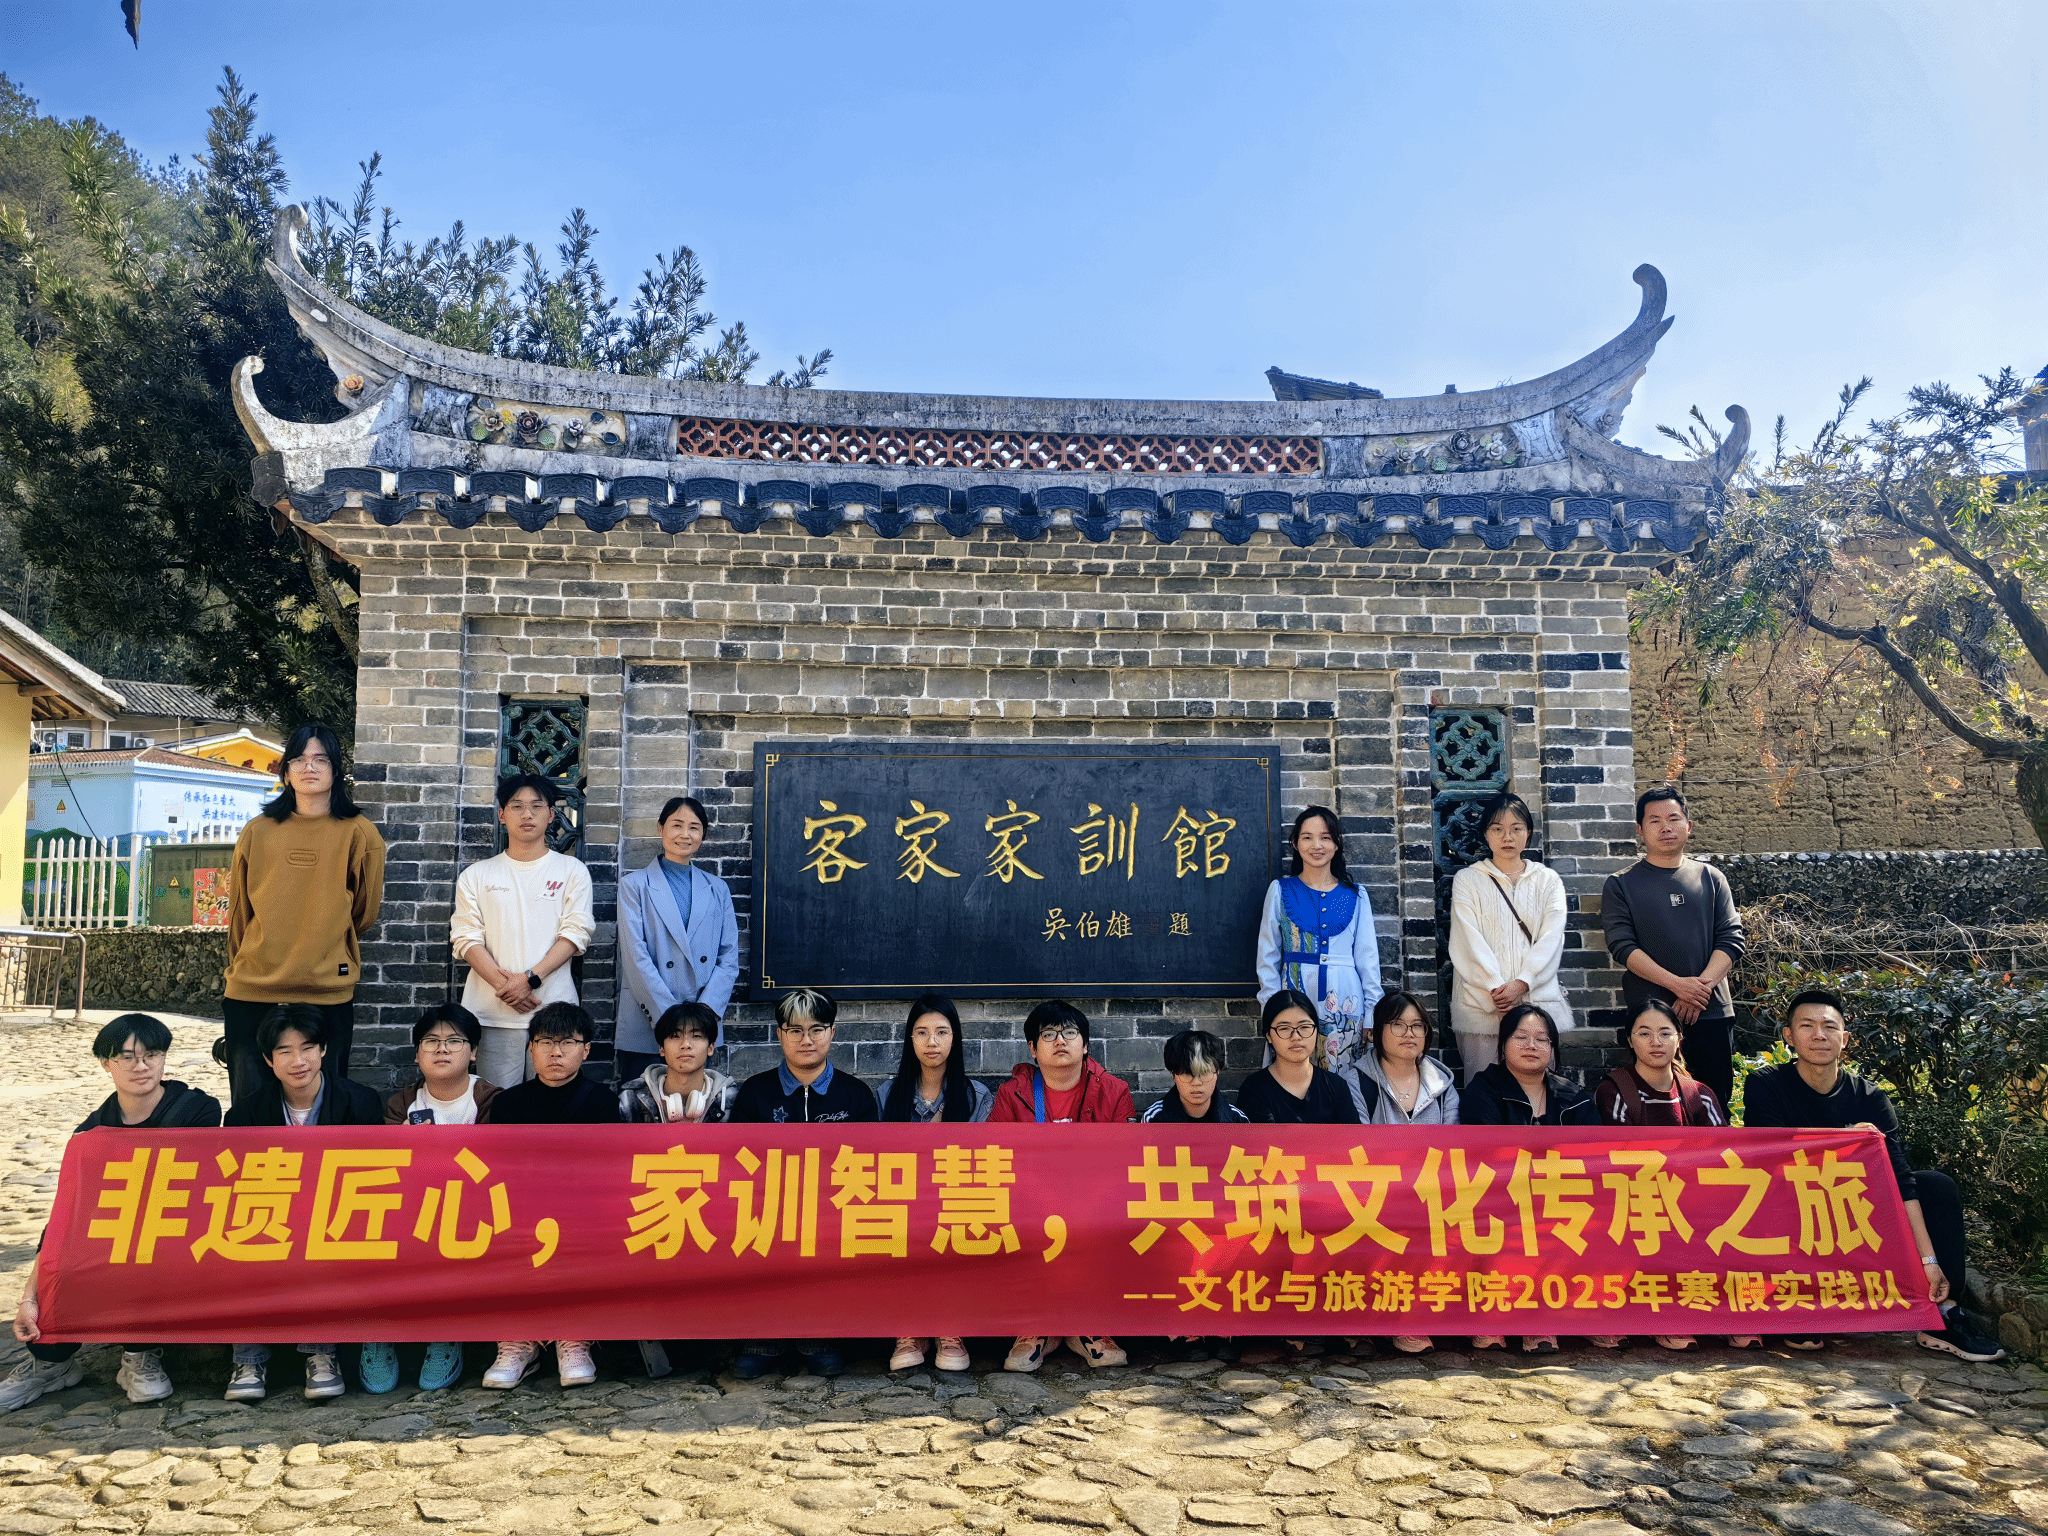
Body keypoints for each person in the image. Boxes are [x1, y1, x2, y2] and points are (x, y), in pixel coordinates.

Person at [1742, 989, 2004, 1362]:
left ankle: (1944, 1315)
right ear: (1789, 1036)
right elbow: (1772, 1156)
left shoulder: (1870, 1097)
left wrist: (1930, 1262)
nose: (1819, 1035)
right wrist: (1847, 1139)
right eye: (1807, 1026)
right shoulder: (1765, 1084)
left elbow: (1901, 1179)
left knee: (1935, 1186)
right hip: (1793, 1205)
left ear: (1845, 1039)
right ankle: (1799, 1302)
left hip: (1855, 1206)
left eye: (1829, 1027)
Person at [3, 1015, 221, 1413]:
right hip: (114, 1229)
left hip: (178, 1228)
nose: (142, 1066)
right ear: (106, 1063)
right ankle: (50, 1362)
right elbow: (68, 1213)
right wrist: (30, 1296)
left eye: (152, 1055)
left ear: (163, 1059)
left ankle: (141, 1352)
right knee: (64, 1253)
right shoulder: (90, 1134)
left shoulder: (196, 1109)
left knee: (141, 1248)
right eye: (127, 1057)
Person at [222, 1004, 385, 1402]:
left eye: (308, 1048)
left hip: (336, 1216)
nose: (298, 1061)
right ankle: (249, 1359)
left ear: (324, 1050)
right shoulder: (244, 1114)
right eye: (285, 1051)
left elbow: (374, 1178)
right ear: (268, 1059)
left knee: (326, 1243)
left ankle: (321, 1353)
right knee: (240, 1242)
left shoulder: (361, 1103)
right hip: (272, 1217)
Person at [222, 722, 385, 1103]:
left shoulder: (360, 832)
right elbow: (240, 912)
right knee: (251, 1107)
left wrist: (326, 938)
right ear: (286, 771)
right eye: (298, 759)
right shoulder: (258, 831)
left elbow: (364, 912)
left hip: (327, 991)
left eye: (320, 760)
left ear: (336, 770)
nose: (309, 767)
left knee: (323, 1108)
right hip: (254, 987)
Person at [730, 989, 877, 1380]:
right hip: (770, 1208)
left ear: (832, 1033)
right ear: (780, 1035)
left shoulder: (856, 1095)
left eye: (816, 1029)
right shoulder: (755, 1093)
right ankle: (765, 1335)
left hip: (833, 1210)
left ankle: (820, 1334)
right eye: (794, 1030)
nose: (806, 1039)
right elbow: (741, 1163)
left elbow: (868, 1165)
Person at [360, 1004, 503, 1395]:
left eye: (454, 1041)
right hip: (411, 1209)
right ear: (417, 1054)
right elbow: (390, 1171)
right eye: (431, 1042)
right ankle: (378, 1336)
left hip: (472, 1210)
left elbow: (492, 1168)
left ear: (473, 1052)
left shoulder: (491, 1100)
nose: (442, 1049)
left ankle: (445, 1336)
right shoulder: (402, 1104)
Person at [479, 1002, 619, 1391]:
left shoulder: (602, 1102)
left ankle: (573, 1336)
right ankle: (519, 1340)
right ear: (531, 1048)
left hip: (584, 1212)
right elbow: (500, 1172)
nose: (555, 1052)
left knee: (585, 1240)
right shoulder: (508, 1103)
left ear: (585, 1050)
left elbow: (608, 1172)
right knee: (504, 1240)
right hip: (521, 1211)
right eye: (545, 1042)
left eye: (567, 1043)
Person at [990, 1000, 1135, 1373]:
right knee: (1014, 1224)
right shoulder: (1013, 1094)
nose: (1060, 1041)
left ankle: (1087, 1325)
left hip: (1095, 1200)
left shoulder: (1115, 1091)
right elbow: (996, 1157)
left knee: (1105, 1223)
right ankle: (1037, 1326)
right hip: (1030, 1199)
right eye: (1049, 1034)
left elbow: (1125, 1162)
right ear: (1032, 1048)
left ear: (1085, 1045)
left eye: (1070, 1033)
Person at [1593, 999, 1738, 1352]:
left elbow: (1725, 1157)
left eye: (1665, 1033)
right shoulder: (1615, 1090)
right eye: (1644, 1034)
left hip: (1694, 1200)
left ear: (1679, 1039)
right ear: (1630, 1040)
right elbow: (1619, 1160)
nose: (1655, 1042)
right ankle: (1654, 1316)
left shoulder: (1699, 1095)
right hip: (1636, 1199)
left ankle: (1729, 1316)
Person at [1458, 1002, 1594, 1356]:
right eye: (1521, 1037)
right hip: (1499, 1196)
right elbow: (1486, 1153)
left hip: (1562, 1197)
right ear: (1503, 1044)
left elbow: (1593, 1156)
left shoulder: (1574, 1097)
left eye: (1541, 1039)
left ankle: (1545, 1318)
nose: (1531, 1046)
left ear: (1552, 1048)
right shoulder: (1483, 1089)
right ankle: (1493, 1315)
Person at [1600, 785, 1745, 1111]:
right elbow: (1622, 946)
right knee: (1655, 1107)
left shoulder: (1711, 878)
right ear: (1640, 830)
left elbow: (1731, 939)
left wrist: (1699, 990)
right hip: (1651, 1020)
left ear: (1688, 826)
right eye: (1654, 821)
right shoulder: (1622, 884)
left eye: (1673, 818)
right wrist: (1678, 986)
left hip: (1711, 1011)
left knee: (1714, 1104)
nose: (1665, 827)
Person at [451, 775, 596, 1090]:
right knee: (497, 1104)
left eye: (536, 806)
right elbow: (465, 937)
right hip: (492, 1013)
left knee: (550, 1106)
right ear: (502, 815)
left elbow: (576, 933)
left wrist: (530, 980)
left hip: (554, 1013)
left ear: (551, 815)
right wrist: (506, 987)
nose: (527, 814)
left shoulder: (572, 871)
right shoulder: (476, 875)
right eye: (517, 806)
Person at [878, 993, 990, 1373]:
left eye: (942, 1032)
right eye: (922, 1032)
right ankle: (909, 1327)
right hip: (904, 1201)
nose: (932, 1042)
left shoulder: (977, 1097)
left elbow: (980, 1168)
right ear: (910, 1039)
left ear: (954, 1038)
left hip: (955, 1200)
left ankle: (948, 1325)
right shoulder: (887, 1096)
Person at [1447, 791, 1573, 1082]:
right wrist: (1498, 991)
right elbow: (1467, 940)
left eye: (1516, 828)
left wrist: (1523, 982)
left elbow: (1552, 938)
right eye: (1497, 829)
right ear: (1485, 834)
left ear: (1528, 834)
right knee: (1485, 1090)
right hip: (1483, 1006)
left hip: (1536, 1005)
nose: (1507, 837)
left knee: (1537, 1090)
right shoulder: (1468, 880)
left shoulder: (1548, 881)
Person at [617, 796, 740, 1084]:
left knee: (699, 1104)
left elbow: (729, 955)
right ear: (661, 828)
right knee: (643, 1104)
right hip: (649, 1020)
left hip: (702, 1026)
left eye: (694, 827)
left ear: (703, 835)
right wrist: (671, 1018)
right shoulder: (634, 886)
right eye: (677, 825)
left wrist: (704, 1013)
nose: (685, 834)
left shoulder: (717, 888)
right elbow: (635, 956)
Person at [1256, 806, 1381, 1080]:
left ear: (1337, 844)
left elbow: (1368, 960)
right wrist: (1271, 1009)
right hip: (1294, 995)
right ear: (1295, 843)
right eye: (1307, 837)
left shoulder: (1357, 895)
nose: (1317, 846)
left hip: (1346, 999)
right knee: (1292, 1072)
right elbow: (1267, 959)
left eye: (1325, 837)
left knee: (1344, 1075)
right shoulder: (1280, 890)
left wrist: (1372, 1013)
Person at [1235, 990, 1364, 1125]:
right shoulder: (1254, 1090)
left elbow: (1351, 1136)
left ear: (1316, 1030)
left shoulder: (1336, 1086)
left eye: (1304, 1027)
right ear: (1269, 1035)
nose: (1296, 1037)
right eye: (1284, 1028)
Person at [620, 1002, 739, 1124]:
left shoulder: (732, 1100)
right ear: (662, 1048)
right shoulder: (631, 1098)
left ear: (710, 1048)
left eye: (696, 1036)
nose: (685, 1044)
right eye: (675, 1036)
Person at [1353, 992, 1459, 1125]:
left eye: (1417, 1025)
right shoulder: (1357, 1084)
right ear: (1378, 1031)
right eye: (1398, 1024)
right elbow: (1358, 1137)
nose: (1409, 1033)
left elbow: (1452, 1136)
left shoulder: (1442, 1084)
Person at [1140, 1029, 1250, 1123]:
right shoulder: (1153, 1119)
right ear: (1173, 1075)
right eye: (1187, 1073)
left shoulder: (1237, 1120)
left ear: (1217, 1072)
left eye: (1204, 1072)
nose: (1196, 1083)